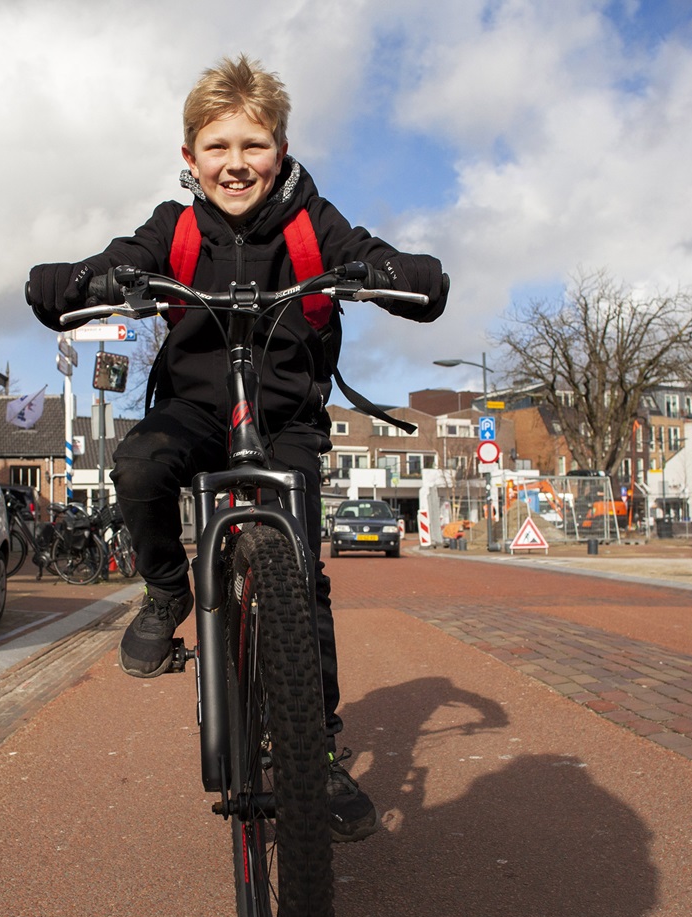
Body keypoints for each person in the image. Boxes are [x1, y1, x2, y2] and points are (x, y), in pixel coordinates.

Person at [27, 55, 448, 842]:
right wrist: (92, 278)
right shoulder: (176, 226)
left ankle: (313, 751)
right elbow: (122, 256)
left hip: (285, 418)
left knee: (300, 576)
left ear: (279, 151)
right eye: (218, 147)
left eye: (254, 146)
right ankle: (166, 591)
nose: (236, 163)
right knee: (138, 466)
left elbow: (386, 262)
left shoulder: (311, 222)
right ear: (190, 158)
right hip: (194, 410)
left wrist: (390, 272)